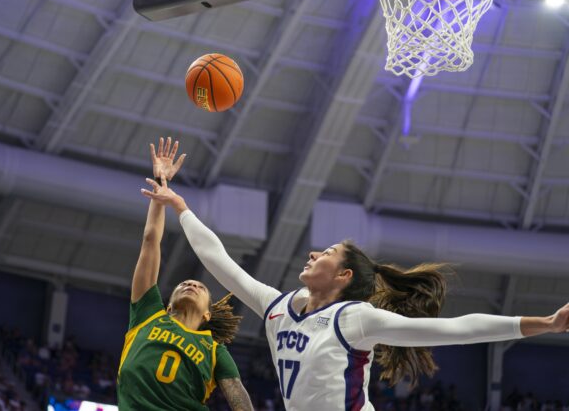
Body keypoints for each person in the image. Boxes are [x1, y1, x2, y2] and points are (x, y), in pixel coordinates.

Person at [142, 173, 569, 411]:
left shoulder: (355, 319)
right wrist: (180, 207)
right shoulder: (277, 308)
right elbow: (219, 262)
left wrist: (544, 323)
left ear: (343, 275)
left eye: (325, 251)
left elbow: (455, 329)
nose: (312, 252)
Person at [118, 138, 253, 411]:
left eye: (200, 287)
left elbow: (237, 394)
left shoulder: (214, 350)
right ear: (167, 306)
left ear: (207, 315)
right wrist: (161, 190)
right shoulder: (148, 313)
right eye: (184, 284)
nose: (191, 283)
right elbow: (150, 241)